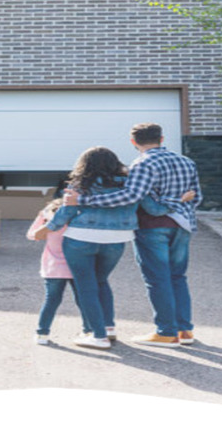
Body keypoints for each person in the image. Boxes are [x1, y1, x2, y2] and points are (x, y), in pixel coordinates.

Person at [63, 122, 202, 349]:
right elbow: (196, 197)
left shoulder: (142, 163)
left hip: (152, 227)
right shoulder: (187, 162)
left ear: (133, 142)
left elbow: (130, 196)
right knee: (178, 277)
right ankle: (183, 330)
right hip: (183, 225)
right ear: (162, 138)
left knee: (158, 278)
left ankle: (166, 333)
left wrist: (84, 200)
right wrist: (177, 203)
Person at [34, 146, 142, 350]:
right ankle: (108, 327)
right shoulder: (128, 183)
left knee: (86, 286)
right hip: (118, 239)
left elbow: (67, 212)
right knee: (102, 281)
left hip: (81, 238)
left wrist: (47, 228)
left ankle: (98, 336)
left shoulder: (81, 184)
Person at [26, 200, 81, 346]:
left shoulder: (49, 224)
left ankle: (42, 333)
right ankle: (89, 330)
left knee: (51, 301)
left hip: (53, 267)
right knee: (83, 300)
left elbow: (32, 235)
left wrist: (42, 217)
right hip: (77, 266)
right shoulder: (77, 220)